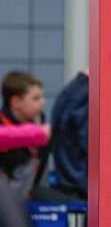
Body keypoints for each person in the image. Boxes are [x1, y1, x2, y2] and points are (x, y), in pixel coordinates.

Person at [0, 72, 49, 200]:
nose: (43, 102)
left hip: (33, 194)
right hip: (8, 199)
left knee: (79, 206)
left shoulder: (40, 126)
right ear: (16, 102)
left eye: (42, 97)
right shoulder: (3, 129)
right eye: (36, 98)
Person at [51, 71, 89, 200]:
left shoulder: (71, 91)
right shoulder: (86, 94)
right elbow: (90, 143)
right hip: (79, 183)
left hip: (68, 178)